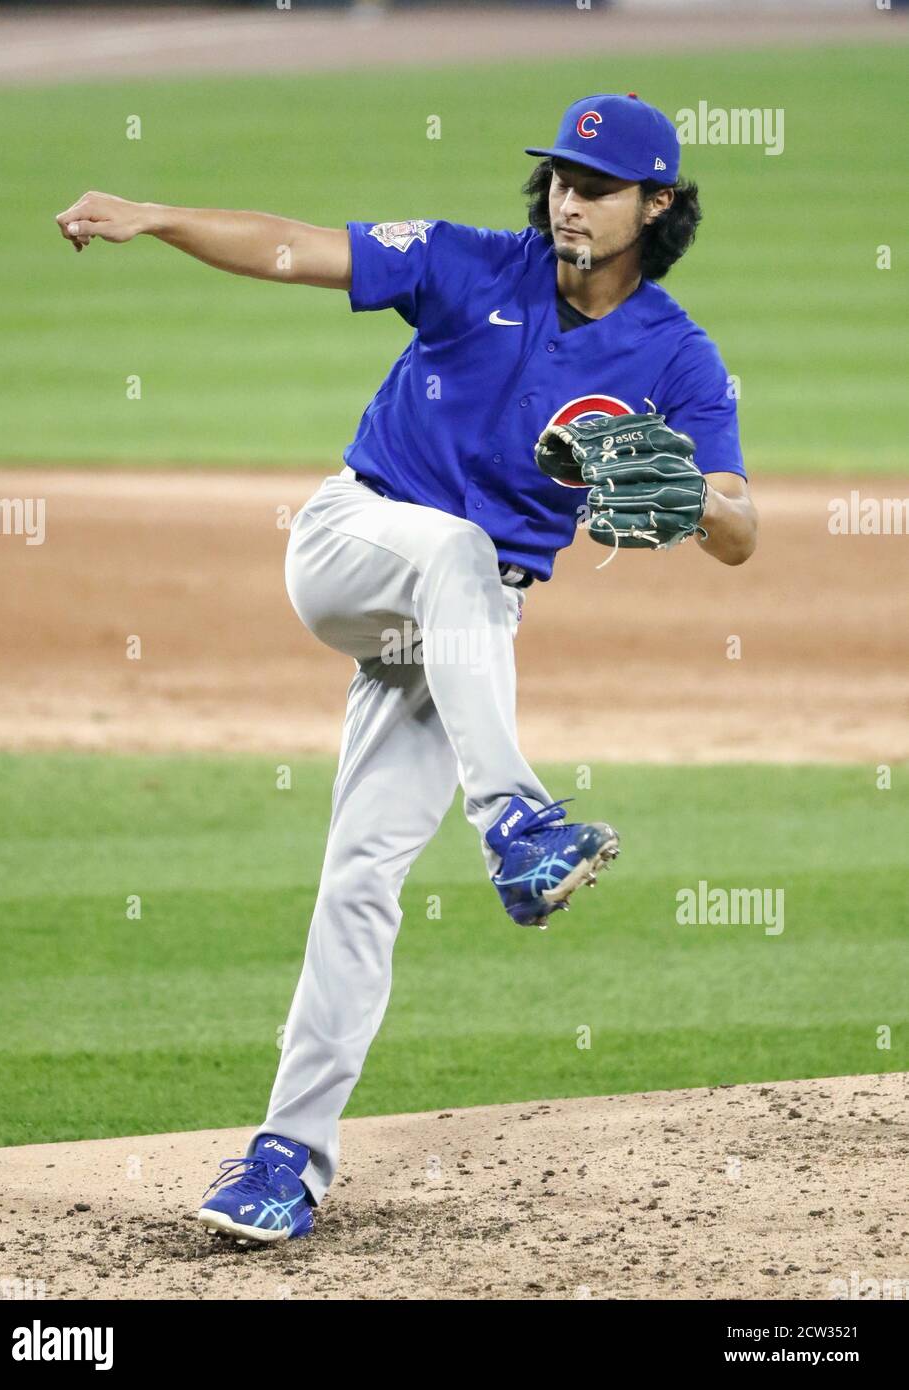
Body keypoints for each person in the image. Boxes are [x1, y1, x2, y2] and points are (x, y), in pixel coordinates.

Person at [56, 92, 757, 1244]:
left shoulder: (676, 355)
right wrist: (156, 214)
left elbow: (738, 525)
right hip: (351, 546)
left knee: (362, 879)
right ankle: (517, 824)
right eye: (557, 180)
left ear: (657, 204)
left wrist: (692, 503)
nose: (566, 200)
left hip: (461, 629)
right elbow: (294, 247)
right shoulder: (466, 264)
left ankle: (284, 1157)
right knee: (456, 547)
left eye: (594, 185)